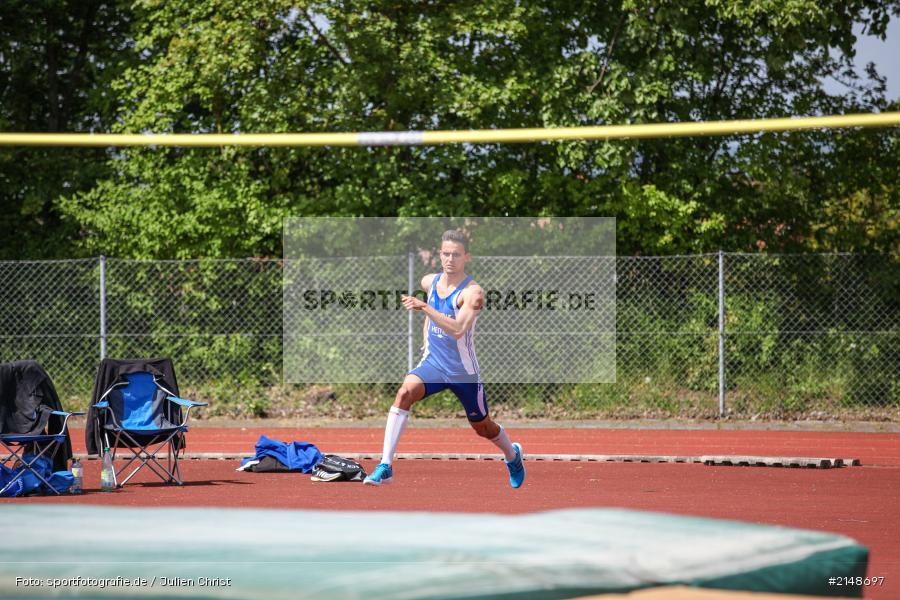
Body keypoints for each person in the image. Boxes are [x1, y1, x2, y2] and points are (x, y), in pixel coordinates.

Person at [363, 230, 525, 488]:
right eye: (446, 254)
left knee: (482, 427)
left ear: (466, 257)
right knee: (404, 393)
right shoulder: (429, 281)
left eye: (456, 255)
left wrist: (425, 308)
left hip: (463, 371)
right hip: (434, 365)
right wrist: (426, 339)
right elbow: (431, 313)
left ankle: (512, 455)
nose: (450, 259)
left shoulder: (473, 293)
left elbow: (458, 329)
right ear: (440, 254)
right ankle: (386, 465)